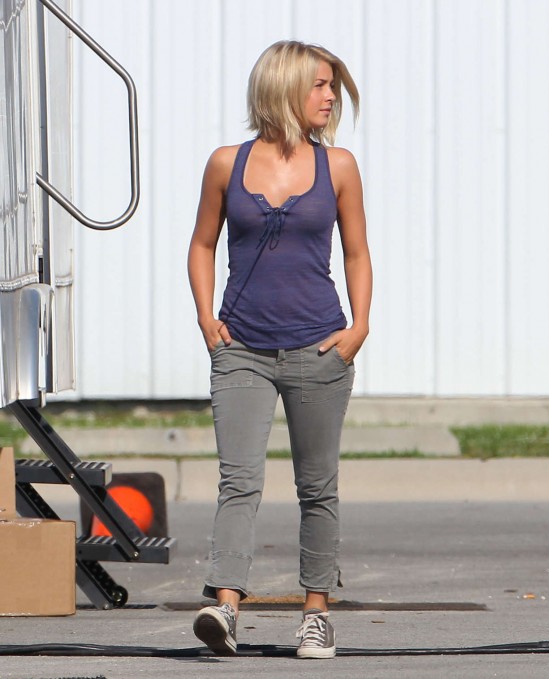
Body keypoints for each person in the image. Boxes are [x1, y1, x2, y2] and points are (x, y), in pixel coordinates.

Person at [187, 39, 372, 659]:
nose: (330, 97)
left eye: (333, 86)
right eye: (320, 84)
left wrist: (359, 327)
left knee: (317, 486)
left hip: (320, 349)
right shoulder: (226, 163)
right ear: (284, 87)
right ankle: (225, 606)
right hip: (242, 348)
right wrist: (207, 319)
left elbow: (357, 253)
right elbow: (202, 244)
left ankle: (316, 614)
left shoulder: (338, 166)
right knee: (238, 482)